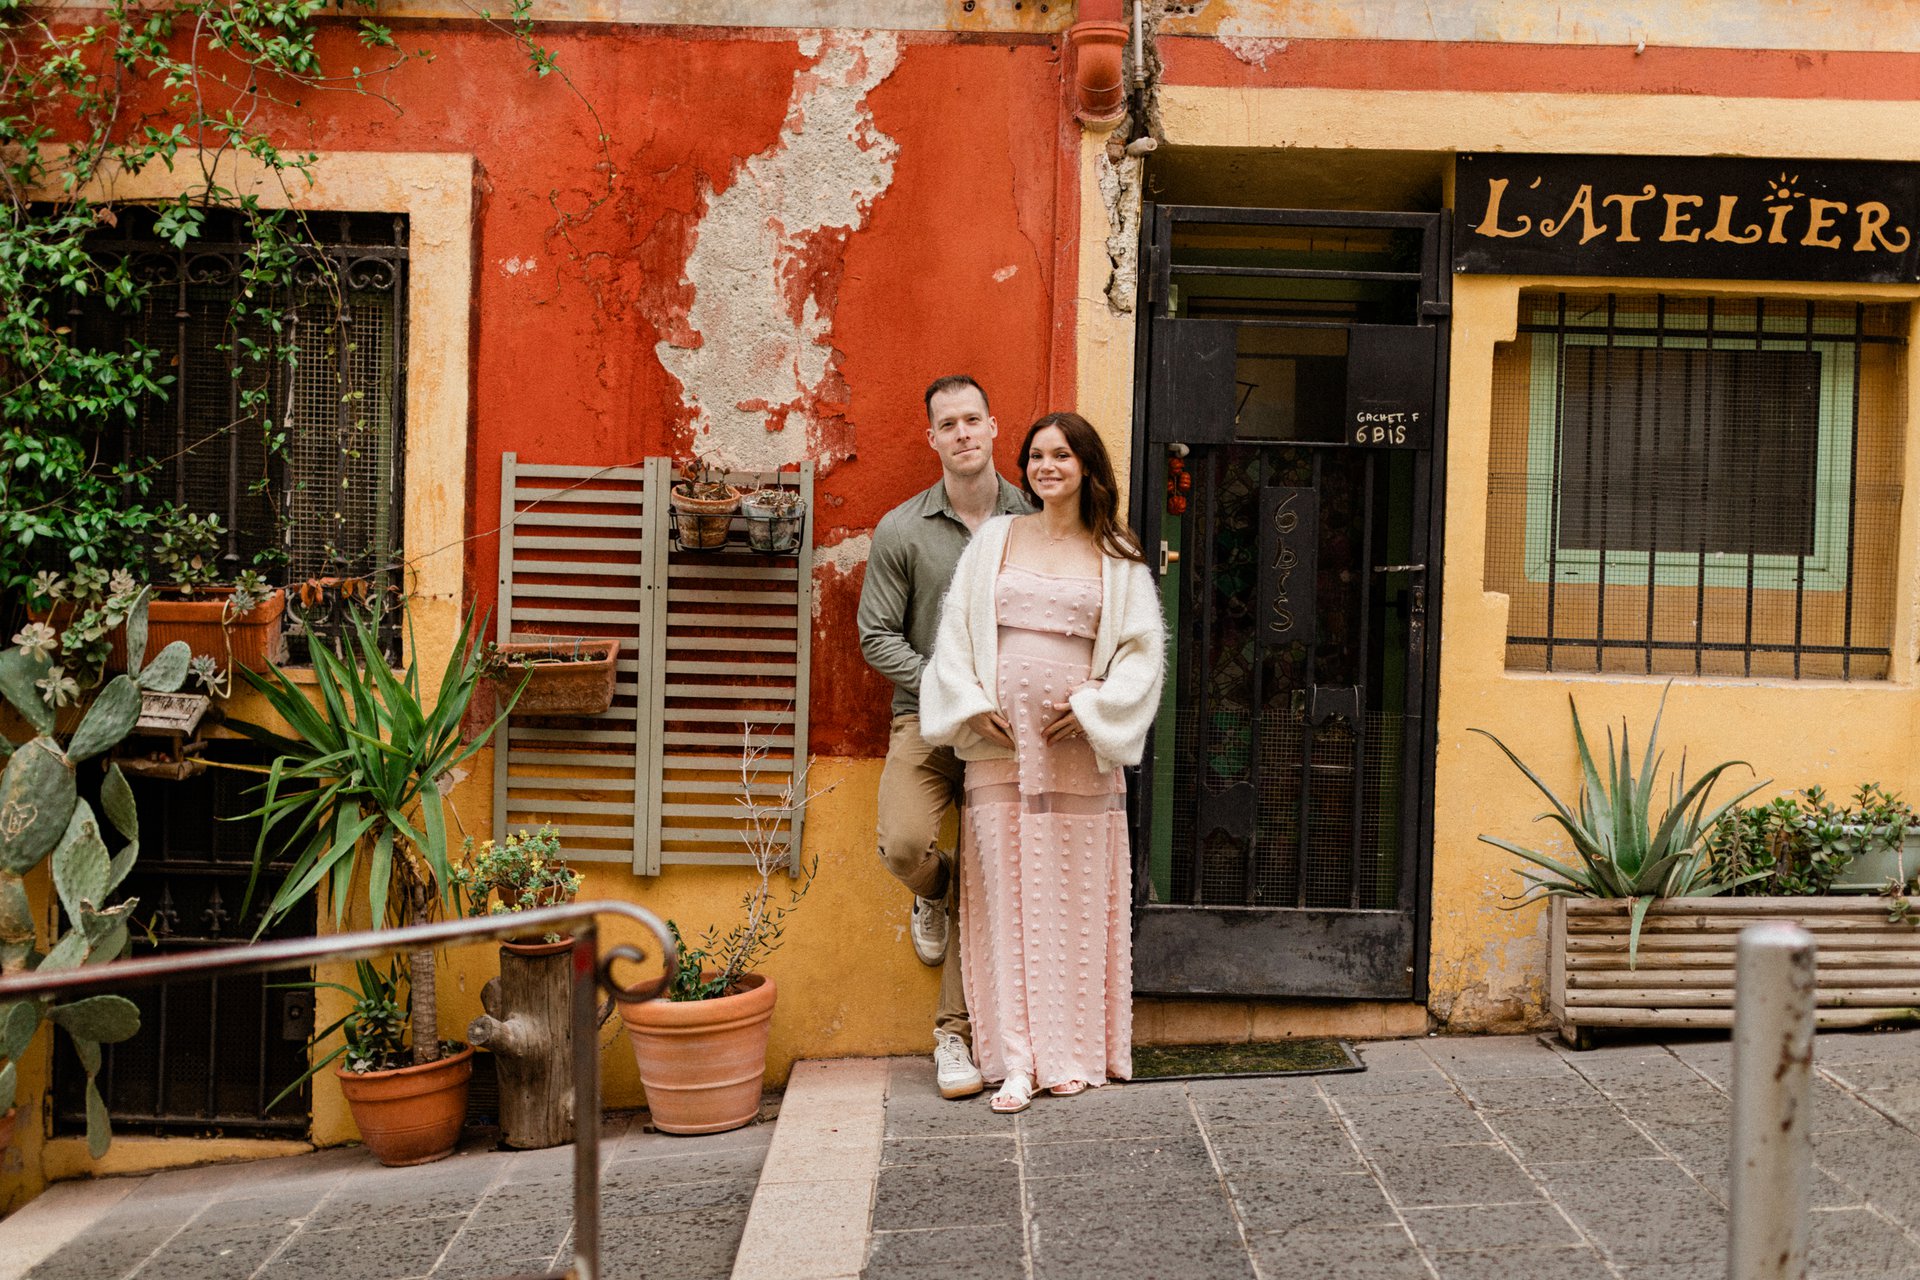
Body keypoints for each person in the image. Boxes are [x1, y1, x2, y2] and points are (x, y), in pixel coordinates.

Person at [918, 411, 1165, 1114]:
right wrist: (970, 705)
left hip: (1078, 754)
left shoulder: (1118, 554)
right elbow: (955, 633)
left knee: (1073, 902)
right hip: (1001, 750)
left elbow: (1142, 653)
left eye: (1060, 455)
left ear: (1086, 466)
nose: (1045, 467)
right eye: (1035, 456)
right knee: (1004, 901)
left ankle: (1075, 1052)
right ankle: (1016, 1059)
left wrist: (1094, 707)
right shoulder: (995, 538)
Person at [857, 374, 1035, 1100]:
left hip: (1009, 728)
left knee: (989, 877)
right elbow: (876, 636)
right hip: (927, 718)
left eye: (972, 420)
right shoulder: (901, 530)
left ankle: (952, 1036)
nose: (962, 433)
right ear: (930, 437)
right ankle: (936, 889)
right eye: (948, 424)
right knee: (904, 845)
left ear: (994, 427)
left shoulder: (1035, 519)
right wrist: (951, 690)